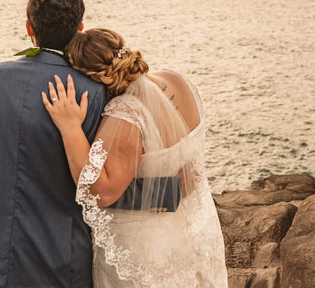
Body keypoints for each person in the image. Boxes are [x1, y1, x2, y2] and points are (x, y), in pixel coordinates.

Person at [42, 28, 228, 288]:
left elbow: (102, 191)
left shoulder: (125, 112)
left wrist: (70, 127)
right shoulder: (178, 80)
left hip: (144, 249)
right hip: (193, 234)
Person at [0, 0, 108, 288]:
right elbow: (97, 183)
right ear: (79, 28)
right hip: (61, 262)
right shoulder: (93, 92)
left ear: (29, 28)